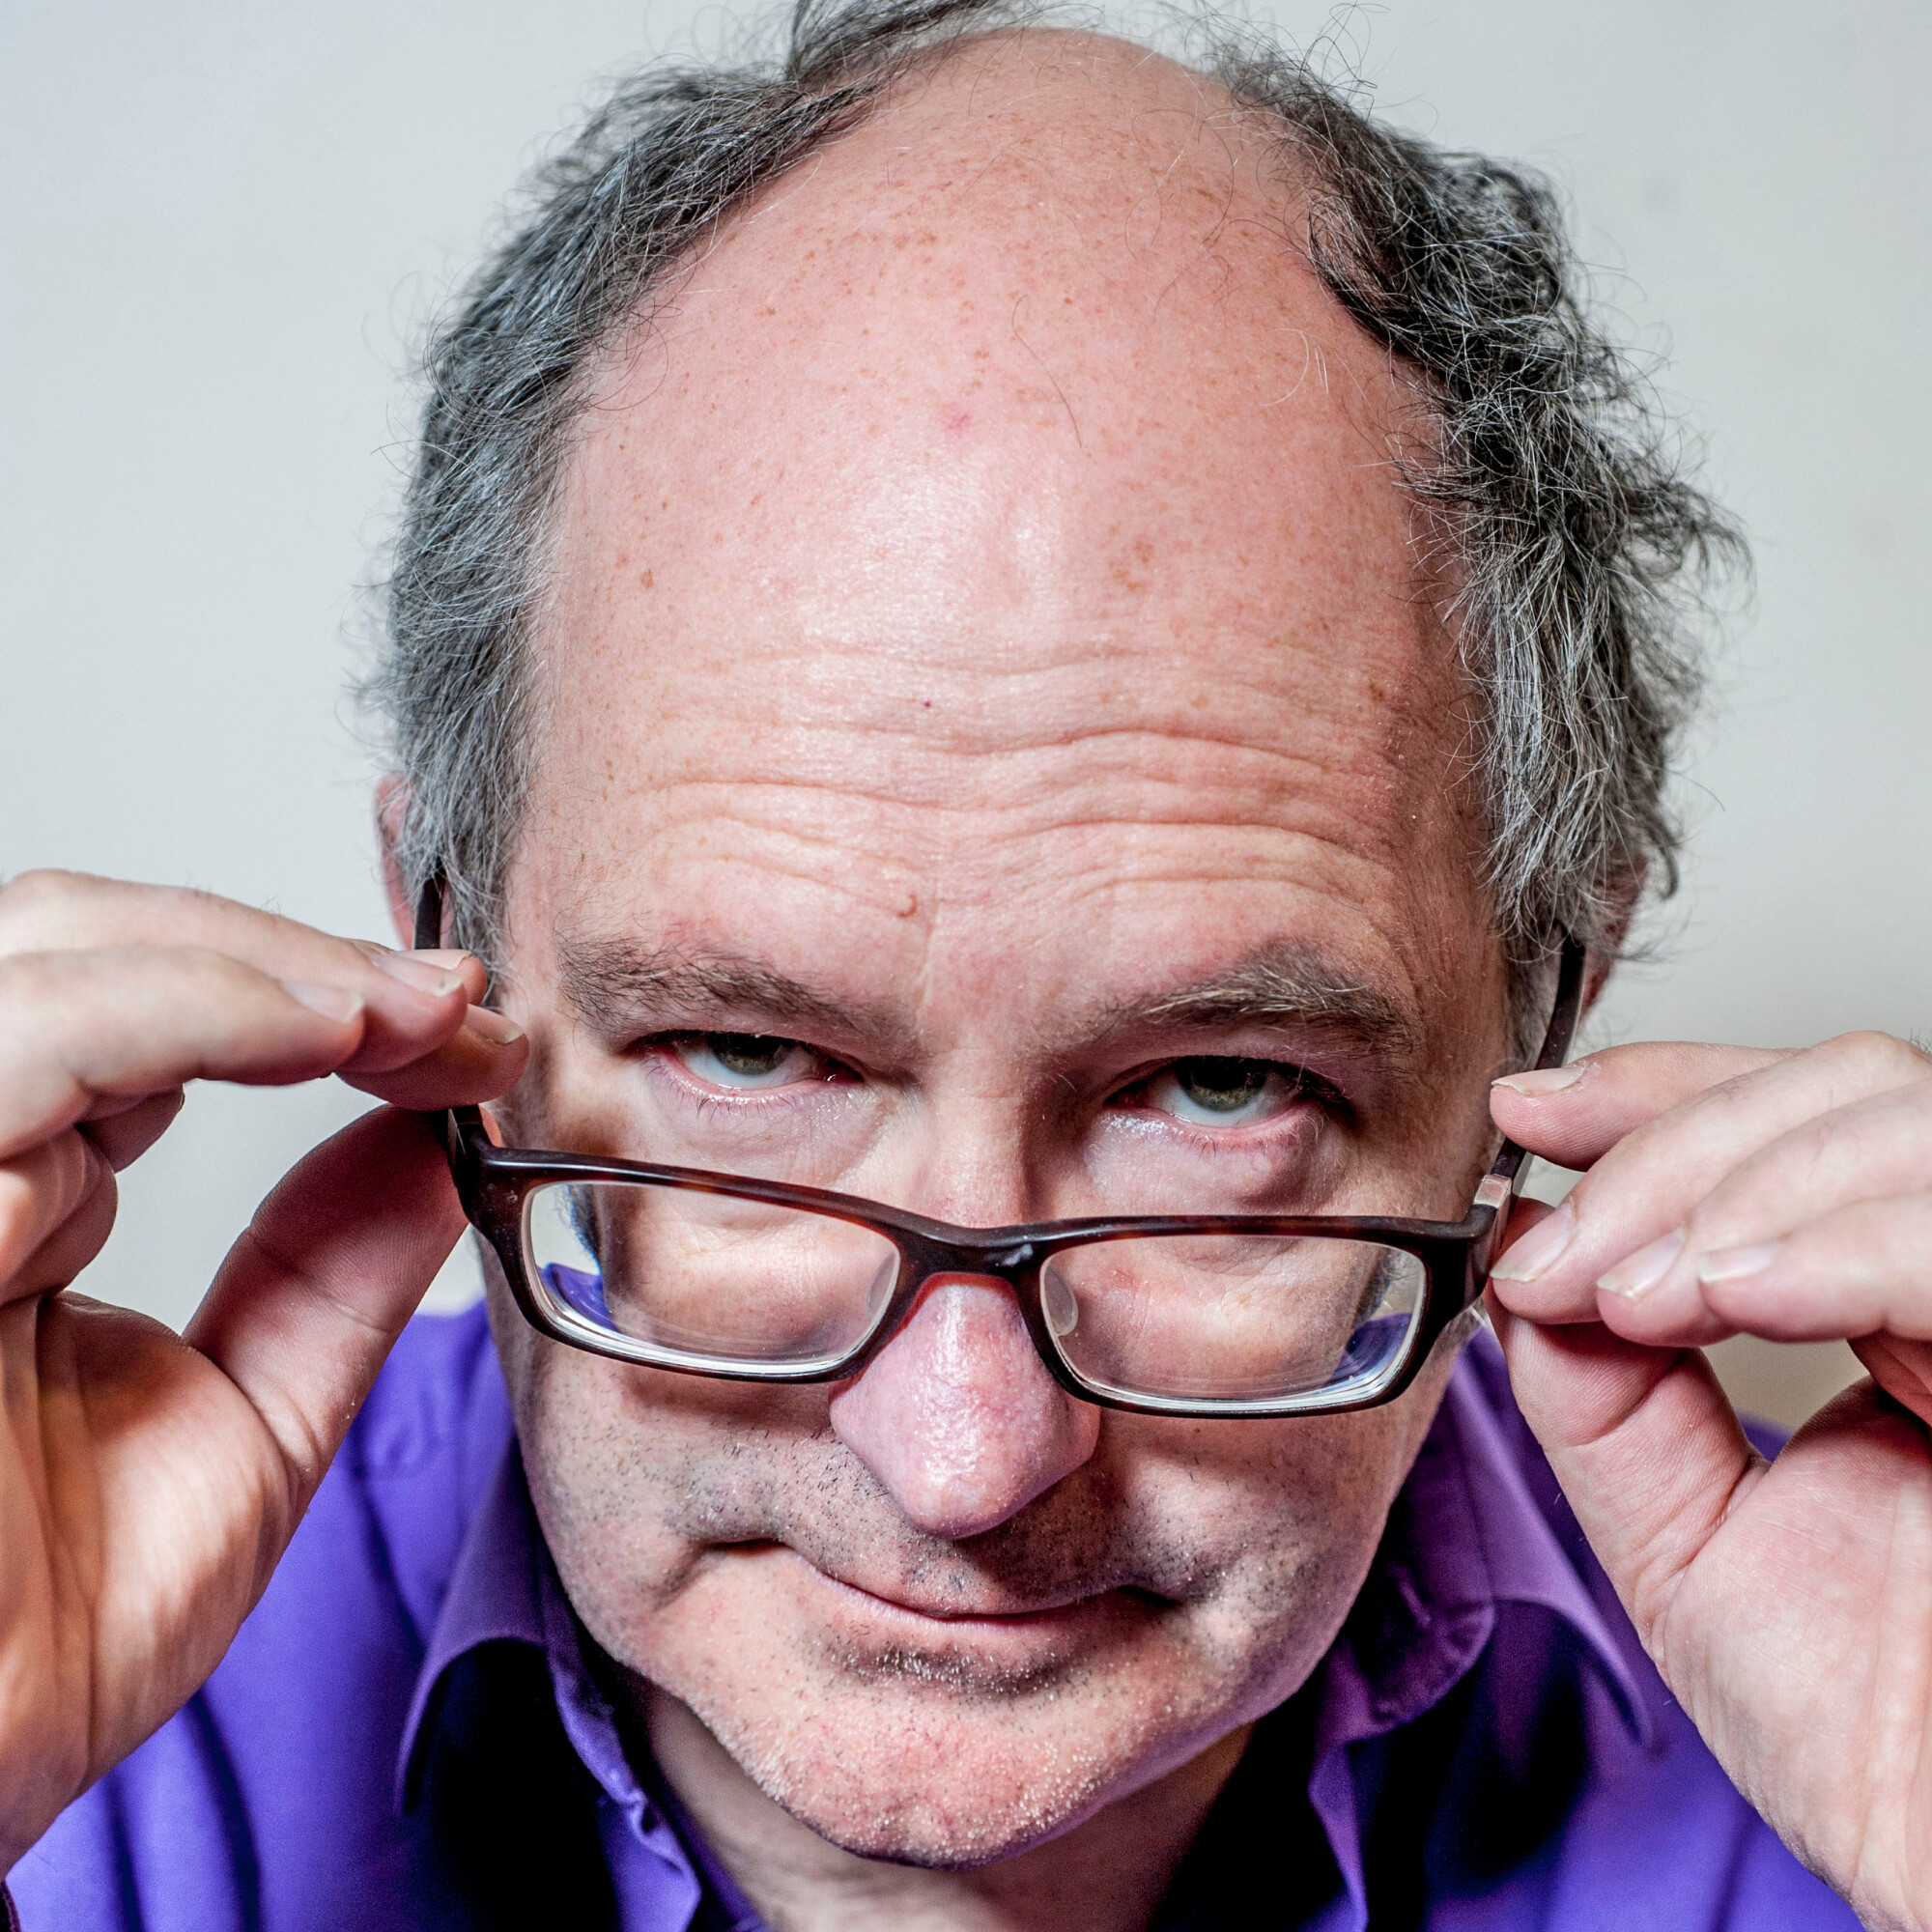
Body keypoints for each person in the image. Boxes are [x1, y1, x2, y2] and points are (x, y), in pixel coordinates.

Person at [3, 3, 1926, 1926]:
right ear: (441, 949)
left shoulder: (1858, 1702)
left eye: (1221, 1086)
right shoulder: (72, 1702)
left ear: (1545, 1014)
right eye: (746, 1053)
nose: (963, 1458)